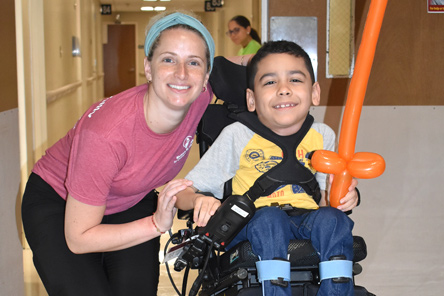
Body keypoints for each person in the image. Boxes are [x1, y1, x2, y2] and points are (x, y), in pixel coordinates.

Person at [21, 11, 215, 296]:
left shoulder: (200, 95)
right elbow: (79, 239)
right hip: (61, 204)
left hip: (128, 198)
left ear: (206, 75)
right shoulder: (106, 135)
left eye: (194, 62)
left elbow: (253, 70)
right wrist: (154, 224)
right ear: (148, 67)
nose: (182, 73)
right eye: (168, 59)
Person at [175, 40, 360, 296]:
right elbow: (182, 194)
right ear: (251, 98)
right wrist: (197, 200)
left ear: (314, 92)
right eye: (270, 82)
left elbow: (327, 201)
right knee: (270, 219)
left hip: (306, 218)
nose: (283, 90)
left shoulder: (322, 136)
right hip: (254, 223)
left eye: (295, 80)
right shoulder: (237, 135)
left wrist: (346, 197)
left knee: (335, 219)